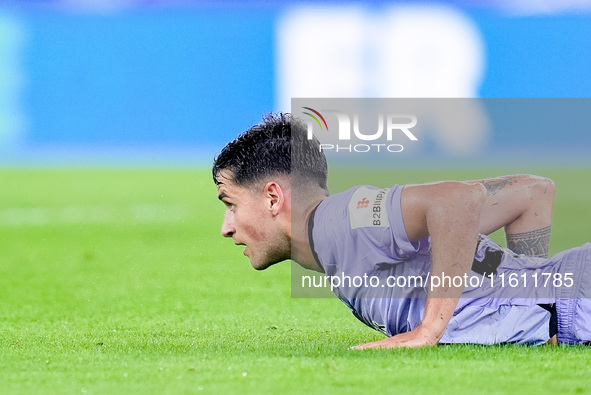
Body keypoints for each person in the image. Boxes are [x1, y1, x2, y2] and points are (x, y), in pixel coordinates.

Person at [212, 112, 591, 348]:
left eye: (230, 204)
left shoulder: (342, 221)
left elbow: (454, 200)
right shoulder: (332, 240)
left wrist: (429, 331)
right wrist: (536, 301)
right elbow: (533, 191)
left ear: (273, 198)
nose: (226, 228)